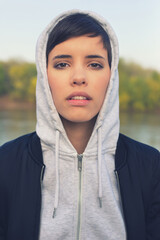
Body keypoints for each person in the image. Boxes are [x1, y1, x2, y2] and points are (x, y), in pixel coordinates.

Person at [0, 10, 160, 240]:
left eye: (94, 65)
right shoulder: (6, 162)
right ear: (44, 77)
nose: (78, 77)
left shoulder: (150, 165)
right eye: (62, 64)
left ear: (111, 76)